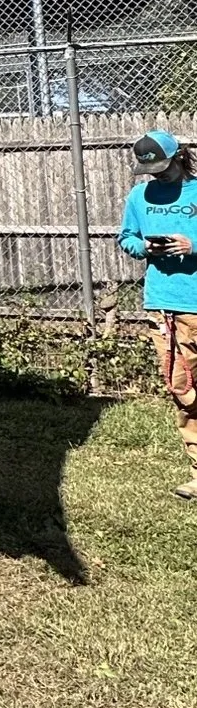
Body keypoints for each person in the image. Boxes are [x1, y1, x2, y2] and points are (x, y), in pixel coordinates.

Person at [119, 129, 197, 499]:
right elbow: (126, 237)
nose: (158, 176)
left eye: (163, 168)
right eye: (151, 170)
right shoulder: (140, 196)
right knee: (182, 388)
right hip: (162, 304)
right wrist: (144, 247)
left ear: (179, 157)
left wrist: (192, 245)